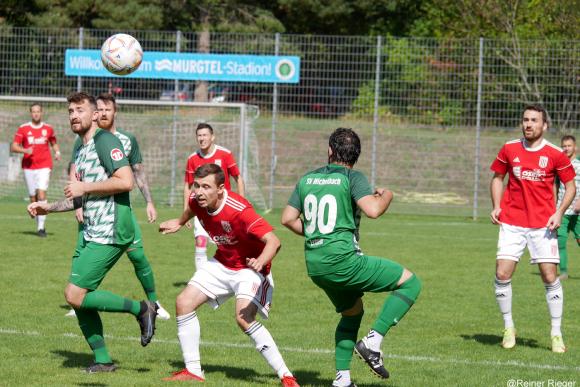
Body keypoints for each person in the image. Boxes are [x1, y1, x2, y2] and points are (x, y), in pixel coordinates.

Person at [27, 92, 158, 373]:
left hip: (110, 231)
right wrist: (47, 207)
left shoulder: (105, 141)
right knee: (82, 297)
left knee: (74, 294)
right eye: (70, 111)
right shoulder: (82, 148)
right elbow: (79, 198)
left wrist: (84, 188)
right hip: (90, 232)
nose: (74, 115)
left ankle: (142, 309)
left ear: (94, 114)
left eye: (80, 110)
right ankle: (102, 360)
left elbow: (125, 182)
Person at [281, 128, 422, 387]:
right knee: (411, 283)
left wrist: (316, 233)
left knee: (352, 313)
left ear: (330, 151)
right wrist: (387, 194)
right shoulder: (352, 177)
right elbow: (373, 210)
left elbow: (287, 218)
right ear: (356, 155)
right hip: (343, 261)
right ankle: (373, 341)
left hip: (315, 264)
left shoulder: (307, 179)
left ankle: (342, 380)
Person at [159, 163, 298, 387]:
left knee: (243, 319)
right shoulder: (196, 201)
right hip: (223, 262)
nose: (199, 192)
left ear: (221, 188)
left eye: (206, 187)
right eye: (196, 186)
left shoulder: (239, 209)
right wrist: (179, 221)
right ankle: (193, 370)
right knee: (183, 302)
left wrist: (261, 261)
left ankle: (286, 375)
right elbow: (191, 209)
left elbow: (274, 241)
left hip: (249, 269)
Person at [65, 93, 170, 320]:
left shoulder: (120, 139)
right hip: (93, 221)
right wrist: (69, 205)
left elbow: (133, 177)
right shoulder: (81, 144)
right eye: (70, 111)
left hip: (116, 219)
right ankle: (100, 352)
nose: (103, 113)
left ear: (114, 112)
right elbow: (76, 179)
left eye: (106, 109)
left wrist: (149, 201)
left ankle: (151, 304)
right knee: (79, 288)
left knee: (138, 257)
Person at [490, 104, 576, 354]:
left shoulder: (555, 153)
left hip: (542, 224)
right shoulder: (509, 148)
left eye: (534, 120)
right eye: (525, 120)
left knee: (550, 277)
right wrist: (497, 206)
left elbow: (570, 187)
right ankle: (508, 327)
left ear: (544, 125)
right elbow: (497, 178)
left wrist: (559, 212)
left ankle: (556, 333)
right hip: (512, 222)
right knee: (502, 274)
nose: (528, 124)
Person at [183, 123, 245, 269]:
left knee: (229, 245)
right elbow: (188, 186)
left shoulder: (225, 154)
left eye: (205, 135)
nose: (202, 138)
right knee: (200, 242)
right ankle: (201, 281)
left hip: (223, 208)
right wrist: (186, 210)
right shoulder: (192, 159)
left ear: (212, 137)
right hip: (202, 207)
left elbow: (238, 178)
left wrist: (242, 203)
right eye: (199, 135)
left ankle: (235, 272)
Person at [11, 103, 61, 237]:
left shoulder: (48, 129)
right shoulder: (23, 128)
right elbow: (14, 146)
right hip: (28, 166)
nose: (36, 114)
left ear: (42, 112)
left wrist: (57, 152)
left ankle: (41, 228)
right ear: (30, 113)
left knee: (42, 194)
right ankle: (34, 209)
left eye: (38, 111)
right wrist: (25, 150)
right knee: (33, 197)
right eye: (33, 112)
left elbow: (54, 142)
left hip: (45, 165)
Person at [556, 135, 580, 280]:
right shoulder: (559, 165)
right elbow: (556, 185)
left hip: (578, 211)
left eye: (569, 145)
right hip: (562, 210)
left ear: (575, 147)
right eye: (564, 146)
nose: (566, 148)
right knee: (561, 241)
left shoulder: (579, 164)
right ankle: (563, 272)